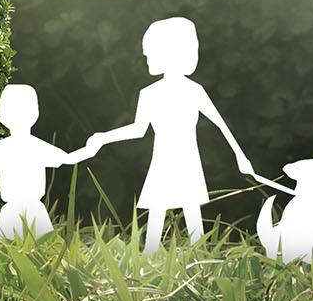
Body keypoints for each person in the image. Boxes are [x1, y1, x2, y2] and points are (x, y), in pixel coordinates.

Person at [83, 16, 252, 254]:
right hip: (162, 160)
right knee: (158, 208)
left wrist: (240, 157)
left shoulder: (194, 91)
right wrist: (104, 137)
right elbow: (138, 129)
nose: (146, 60)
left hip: (187, 160)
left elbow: (219, 123)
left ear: (168, 53)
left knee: (191, 210)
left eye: (150, 54)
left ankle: (199, 259)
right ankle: (150, 259)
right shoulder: (150, 94)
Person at [0, 84, 99, 238]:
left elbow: (69, 159)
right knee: (16, 255)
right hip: (13, 214)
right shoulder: (1, 149)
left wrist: (92, 148)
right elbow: (70, 158)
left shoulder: (22, 147)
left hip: (34, 212)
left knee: (37, 254)